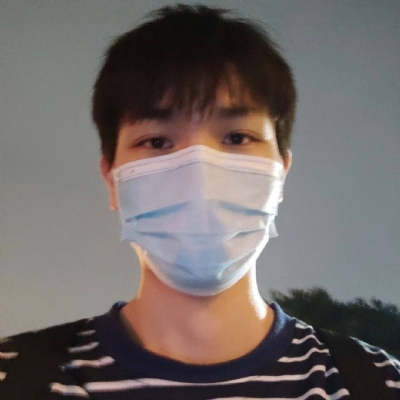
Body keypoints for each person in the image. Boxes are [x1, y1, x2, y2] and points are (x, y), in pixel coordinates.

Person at [1, 4, 399, 399]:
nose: (200, 175)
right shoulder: (14, 377)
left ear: (281, 171)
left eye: (237, 138)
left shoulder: (377, 383)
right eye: (157, 141)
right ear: (112, 179)